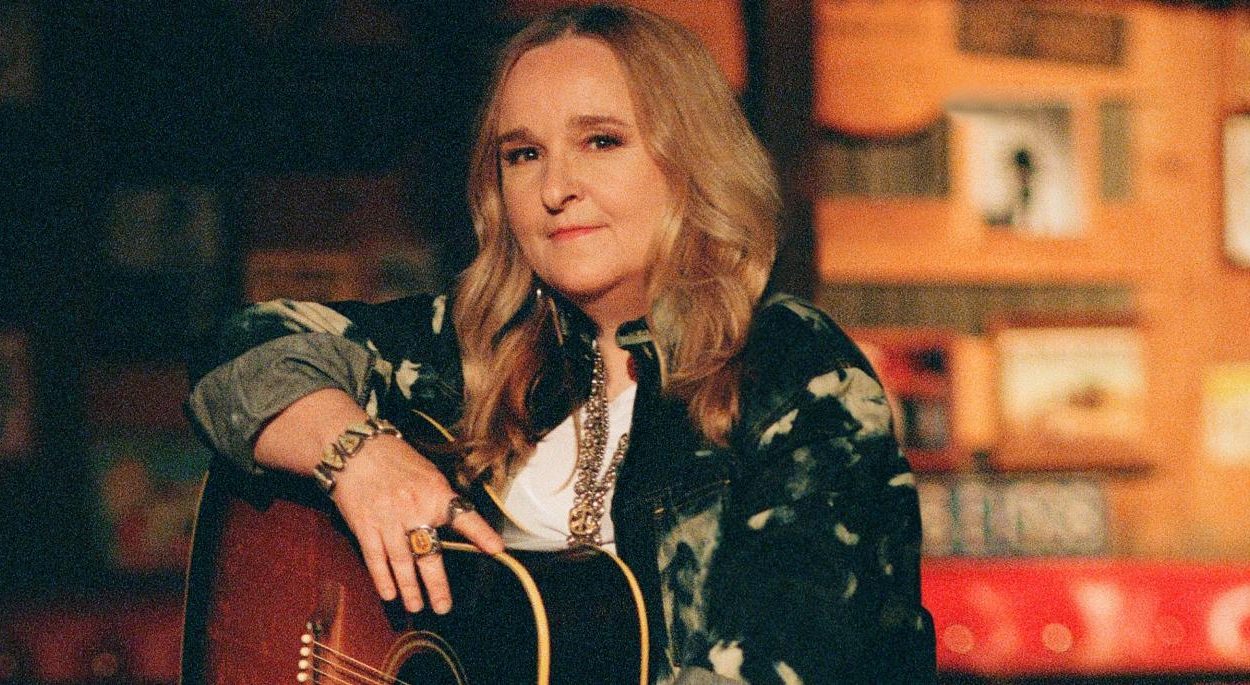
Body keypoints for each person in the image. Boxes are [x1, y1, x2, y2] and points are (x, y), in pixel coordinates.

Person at [184, 4, 934, 683]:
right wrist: (360, 454)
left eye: (601, 140)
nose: (555, 187)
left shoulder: (791, 370)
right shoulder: (471, 352)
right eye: (523, 154)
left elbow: (790, 657)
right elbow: (240, 349)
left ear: (689, 158)